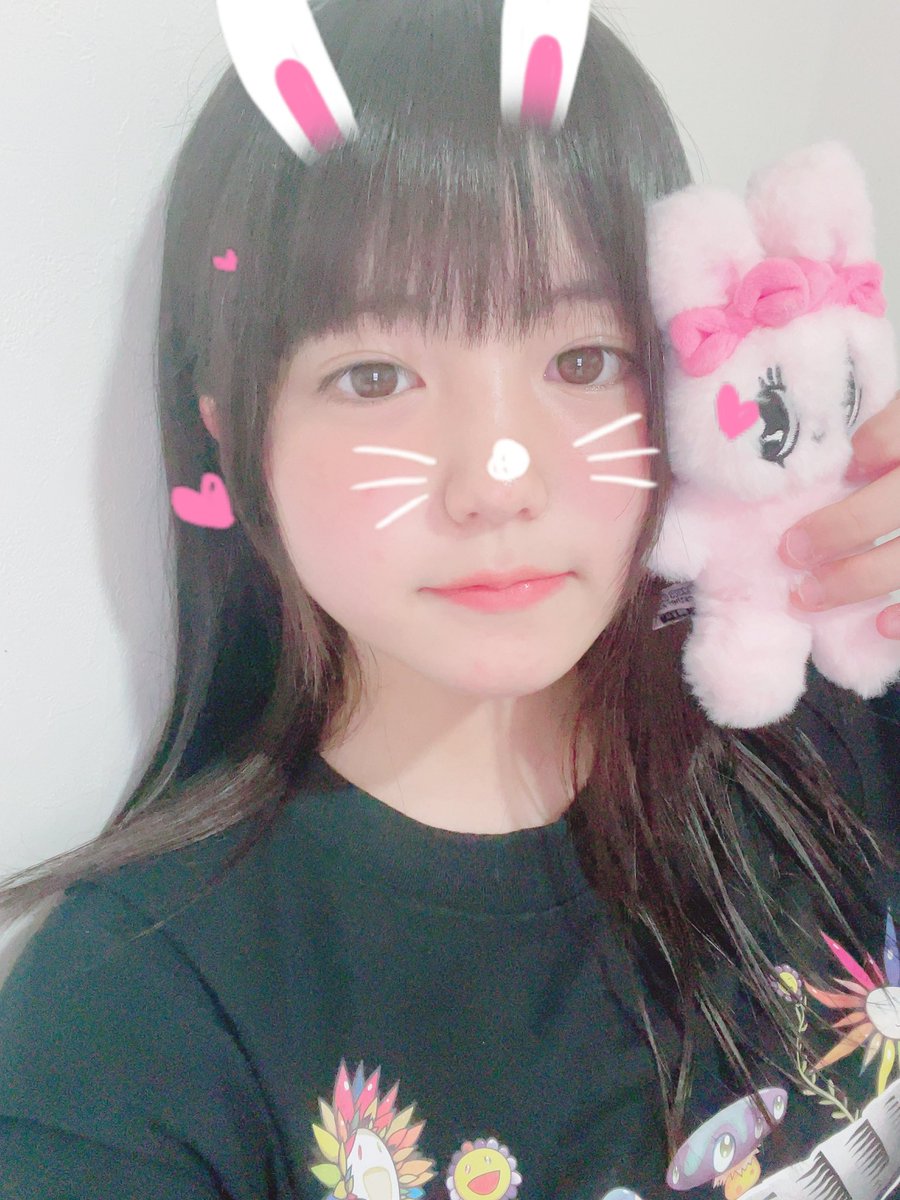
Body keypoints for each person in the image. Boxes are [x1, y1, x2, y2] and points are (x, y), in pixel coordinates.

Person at [0, 1, 897, 1197]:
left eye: (584, 359)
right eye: (374, 375)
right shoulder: (131, 1023)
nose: (496, 481)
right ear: (231, 433)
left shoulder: (829, 710)